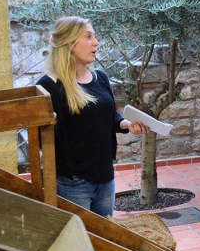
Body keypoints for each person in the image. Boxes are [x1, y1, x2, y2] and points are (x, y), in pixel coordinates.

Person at [37, 16, 149, 217]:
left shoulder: (100, 77)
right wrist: (46, 123)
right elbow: (41, 138)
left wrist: (125, 124)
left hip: (106, 179)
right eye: (88, 37)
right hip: (73, 183)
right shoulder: (50, 85)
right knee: (81, 245)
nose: (96, 42)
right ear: (69, 44)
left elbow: (107, 116)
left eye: (94, 36)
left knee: (105, 243)